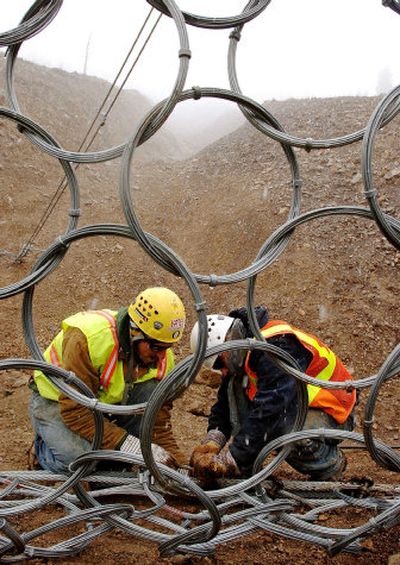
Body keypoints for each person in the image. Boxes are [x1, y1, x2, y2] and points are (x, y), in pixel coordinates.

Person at [29, 287, 186, 474]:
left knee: (151, 394)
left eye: (168, 348)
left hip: (102, 405)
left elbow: (157, 424)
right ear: (135, 332)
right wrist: (130, 446)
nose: (162, 356)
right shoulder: (89, 339)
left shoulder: (162, 357)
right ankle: (43, 449)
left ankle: (107, 449)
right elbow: (76, 411)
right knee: (82, 462)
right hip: (57, 401)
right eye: (156, 347)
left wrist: (181, 468)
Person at [189, 306, 357, 481]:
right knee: (235, 386)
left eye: (218, 364)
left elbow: (273, 410)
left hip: (334, 410)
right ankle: (247, 467)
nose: (221, 371)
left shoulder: (275, 347)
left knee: (285, 432)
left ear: (227, 343)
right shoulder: (245, 351)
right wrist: (213, 440)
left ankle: (330, 465)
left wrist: (233, 458)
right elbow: (225, 402)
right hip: (301, 405)